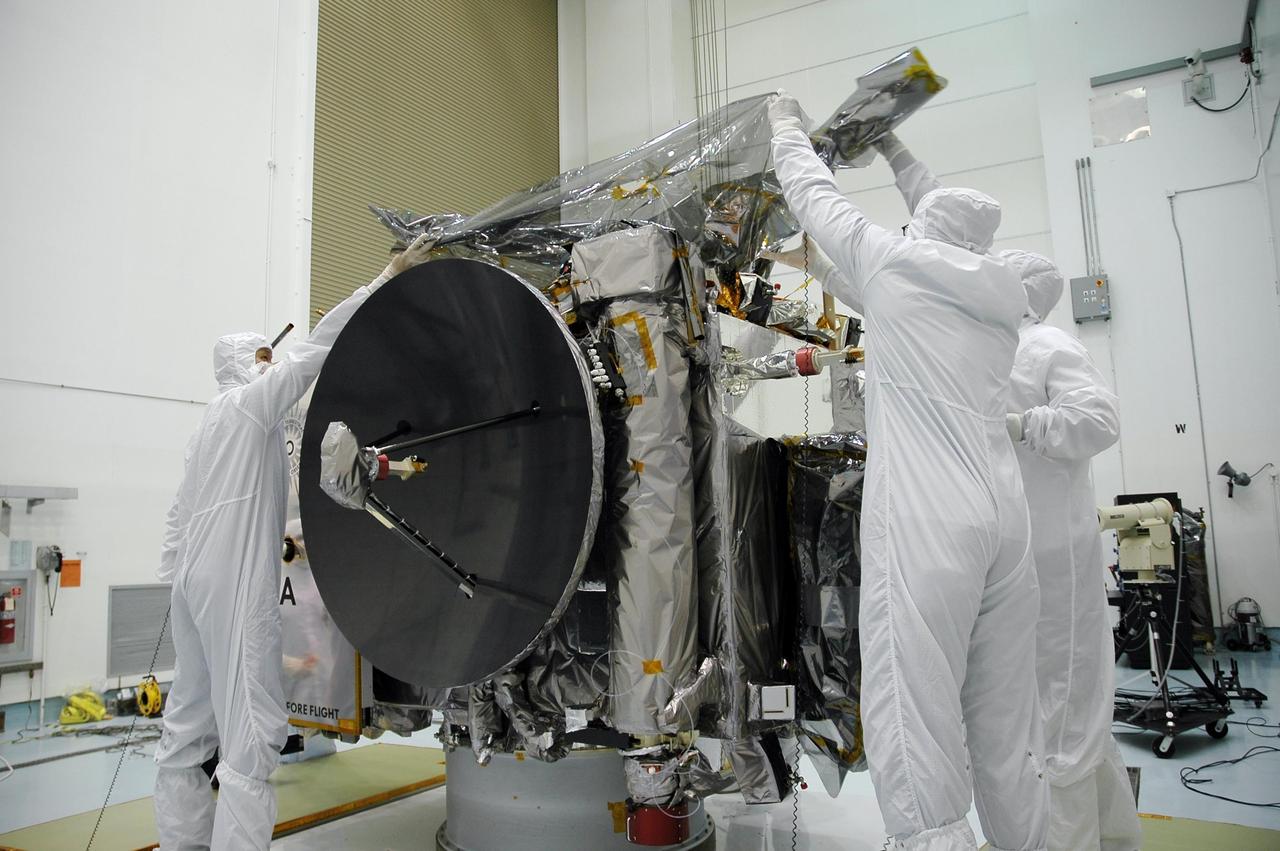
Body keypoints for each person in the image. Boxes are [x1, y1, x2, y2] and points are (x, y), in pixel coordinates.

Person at [767, 93, 1049, 850]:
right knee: (1006, 728)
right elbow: (927, 242)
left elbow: (812, 192)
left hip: (931, 521)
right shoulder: (995, 295)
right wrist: (892, 151)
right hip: (1004, 520)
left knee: (915, 715)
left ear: (920, 231)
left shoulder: (896, 263)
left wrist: (784, 126)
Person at [154, 234, 435, 850]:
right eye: (261, 357)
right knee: (251, 734)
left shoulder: (207, 428)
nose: (268, 364)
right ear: (248, 366)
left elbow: (175, 525)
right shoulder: (251, 408)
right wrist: (384, 276)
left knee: (188, 724)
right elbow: (317, 347)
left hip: (190, 589)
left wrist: (181, 584)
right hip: (231, 588)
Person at [1002, 249, 1140, 851]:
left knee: (1063, 708)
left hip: (1057, 557)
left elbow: (1099, 419)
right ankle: (1114, 838)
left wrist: (1021, 425)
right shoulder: (991, 349)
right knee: (1059, 710)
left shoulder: (1046, 345)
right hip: (1017, 554)